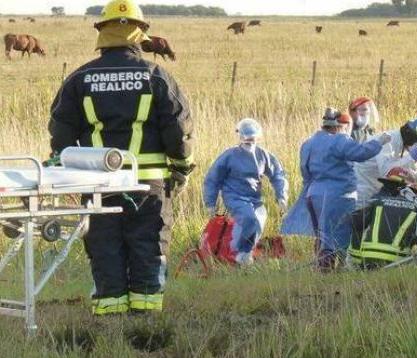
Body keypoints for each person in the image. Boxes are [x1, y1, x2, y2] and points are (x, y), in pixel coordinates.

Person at [48, 0, 194, 315]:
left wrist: (69, 171)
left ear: (102, 31)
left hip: (98, 185)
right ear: (140, 33)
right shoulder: (156, 75)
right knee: (148, 247)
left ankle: (111, 320)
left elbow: (60, 137)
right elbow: (178, 129)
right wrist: (181, 169)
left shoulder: (79, 79)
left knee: (104, 248)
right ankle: (146, 320)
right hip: (148, 184)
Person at [281, 108, 389, 271]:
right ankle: (331, 271)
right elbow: (361, 153)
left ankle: (322, 267)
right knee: (338, 233)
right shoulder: (339, 141)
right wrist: (379, 142)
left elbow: (305, 170)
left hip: (313, 194)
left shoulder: (309, 143)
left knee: (322, 235)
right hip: (339, 195)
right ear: (340, 125)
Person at [203, 118, 288, 265]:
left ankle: (243, 253)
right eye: (247, 141)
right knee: (249, 219)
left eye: (253, 141)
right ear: (240, 138)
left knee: (259, 222)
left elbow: (278, 175)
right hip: (234, 197)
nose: (250, 144)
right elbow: (213, 178)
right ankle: (240, 255)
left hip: (254, 199)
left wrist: (282, 196)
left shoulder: (263, 155)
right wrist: (210, 202)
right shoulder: (229, 156)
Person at [349, 170, 417, 269]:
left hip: (368, 258)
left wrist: (356, 260)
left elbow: (355, 222)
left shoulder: (377, 201)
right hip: (398, 261)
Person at [354, 117, 417, 209]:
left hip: (375, 185)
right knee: (358, 219)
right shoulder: (388, 140)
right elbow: (387, 172)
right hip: (362, 185)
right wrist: (410, 158)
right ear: (411, 137)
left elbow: (404, 170)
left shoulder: (404, 144)